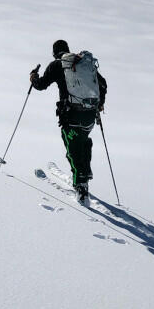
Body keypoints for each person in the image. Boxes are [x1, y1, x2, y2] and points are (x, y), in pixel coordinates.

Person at [30, 39, 107, 204]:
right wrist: (99, 105)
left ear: (54, 53)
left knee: (72, 147)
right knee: (83, 141)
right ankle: (85, 172)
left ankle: (81, 185)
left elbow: (41, 85)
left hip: (71, 117)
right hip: (89, 117)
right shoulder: (83, 65)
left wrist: (33, 78)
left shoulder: (57, 66)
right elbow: (103, 84)